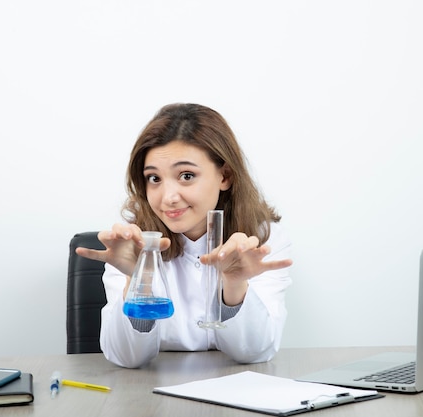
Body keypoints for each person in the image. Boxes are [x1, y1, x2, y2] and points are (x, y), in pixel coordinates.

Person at [76, 103, 293, 368]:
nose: (168, 198)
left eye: (186, 176)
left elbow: (255, 352)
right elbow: (127, 358)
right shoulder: (130, 242)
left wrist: (235, 285)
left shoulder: (263, 238)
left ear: (224, 175)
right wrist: (137, 279)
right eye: (154, 178)